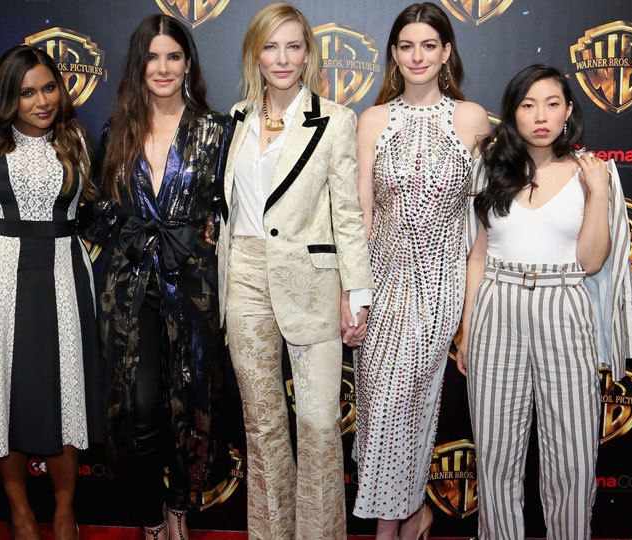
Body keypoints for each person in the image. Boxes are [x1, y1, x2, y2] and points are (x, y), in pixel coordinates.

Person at [457, 64, 632, 540]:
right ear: (513, 113)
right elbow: (476, 256)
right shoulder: (491, 165)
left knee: (573, 454)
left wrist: (598, 193)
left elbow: (592, 260)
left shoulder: (594, 172)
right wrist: (468, 329)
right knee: (495, 456)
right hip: (498, 304)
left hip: (564, 304)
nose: (541, 115)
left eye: (552, 103)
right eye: (528, 104)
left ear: (569, 111)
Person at [216, 3, 373, 538]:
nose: (281, 58)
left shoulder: (334, 119)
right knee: (261, 428)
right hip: (244, 274)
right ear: (254, 54)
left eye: (293, 46)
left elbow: (348, 213)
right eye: (270, 46)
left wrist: (358, 291)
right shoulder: (234, 120)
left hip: (312, 280)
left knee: (320, 425)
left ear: (308, 53)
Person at [352, 3, 490, 538]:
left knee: (401, 401)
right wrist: (354, 295)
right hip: (382, 282)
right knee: (377, 405)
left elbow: (481, 225)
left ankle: (388, 528)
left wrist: (468, 315)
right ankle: (413, 513)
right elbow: (362, 215)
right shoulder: (373, 120)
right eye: (406, 46)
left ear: (446, 53)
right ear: (393, 53)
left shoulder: (471, 118)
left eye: (428, 46)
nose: (417, 56)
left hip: (438, 286)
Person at [94, 14, 230, 540]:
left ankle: (178, 508)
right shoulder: (116, 132)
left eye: (173, 56)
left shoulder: (215, 131)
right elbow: (97, 207)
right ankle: (151, 513)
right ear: (138, 65)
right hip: (129, 291)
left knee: (191, 401)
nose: (163, 67)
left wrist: (210, 230)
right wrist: (127, 232)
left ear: (188, 63)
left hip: (191, 288)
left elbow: (234, 205)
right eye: (152, 57)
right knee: (141, 404)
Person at [0, 45, 100, 540]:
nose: (41, 101)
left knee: (67, 392)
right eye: (26, 93)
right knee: (4, 393)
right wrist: (6, 235)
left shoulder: (77, 142)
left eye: (48, 87)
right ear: (8, 98)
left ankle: (64, 511)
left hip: (63, 272)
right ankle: (19, 512)